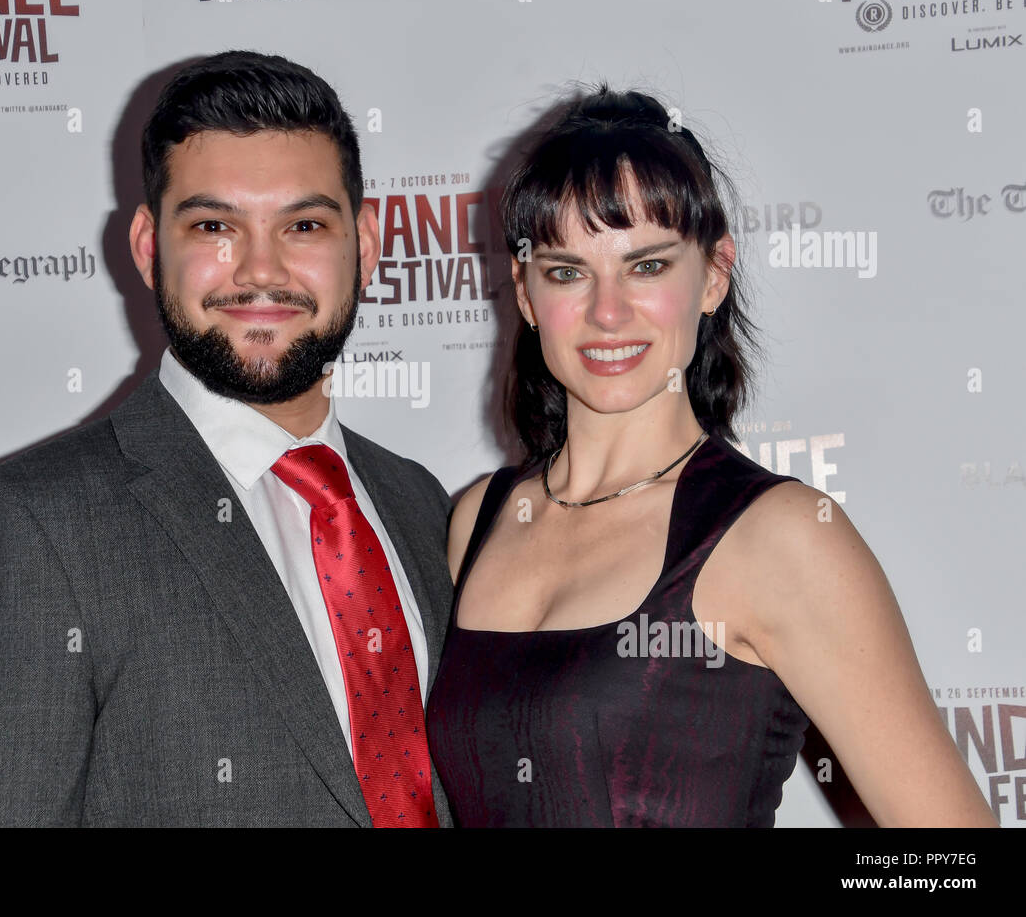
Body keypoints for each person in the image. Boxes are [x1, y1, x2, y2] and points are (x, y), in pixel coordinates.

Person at [0, 50, 455, 826]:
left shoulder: (420, 502)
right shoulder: (28, 527)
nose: (261, 270)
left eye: (304, 224)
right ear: (149, 245)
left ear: (366, 240)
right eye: (216, 225)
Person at [425, 86, 997, 827]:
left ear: (715, 273)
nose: (607, 311)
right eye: (568, 271)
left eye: (648, 266)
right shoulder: (478, 518)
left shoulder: (780, 535)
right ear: (528, 294)